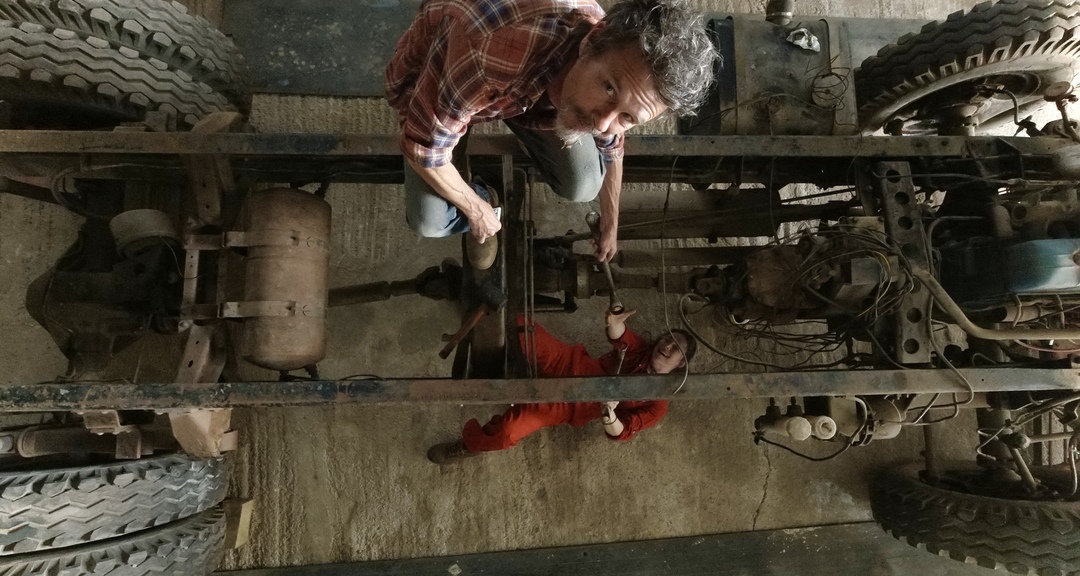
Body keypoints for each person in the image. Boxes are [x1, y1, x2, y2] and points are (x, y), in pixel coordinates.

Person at [385, 0, 716, 269]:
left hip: (517, 92)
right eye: (608, 88)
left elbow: (611, 141)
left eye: (628, 116)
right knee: (429, 222)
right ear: (589, 42)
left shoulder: (611, 58)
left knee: (585, 183)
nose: (602, 124)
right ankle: (487, 194)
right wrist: (476, 209)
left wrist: (611, 221)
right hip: (451, 72)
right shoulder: (492, 54)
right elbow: (424, 149)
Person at [426, 310, 697, 465]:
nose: (666, 346)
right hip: (567, 363)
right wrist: (615, 324)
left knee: (508, 431)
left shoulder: (658, 404)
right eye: (667, 339)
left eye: (675, 349)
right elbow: (621, 336)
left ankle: (471, 445)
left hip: (566, 406)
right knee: (519, 326)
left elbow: (622, 432)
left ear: (680, 365)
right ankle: (475, 304)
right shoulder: (641, 350)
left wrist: (609, 415)